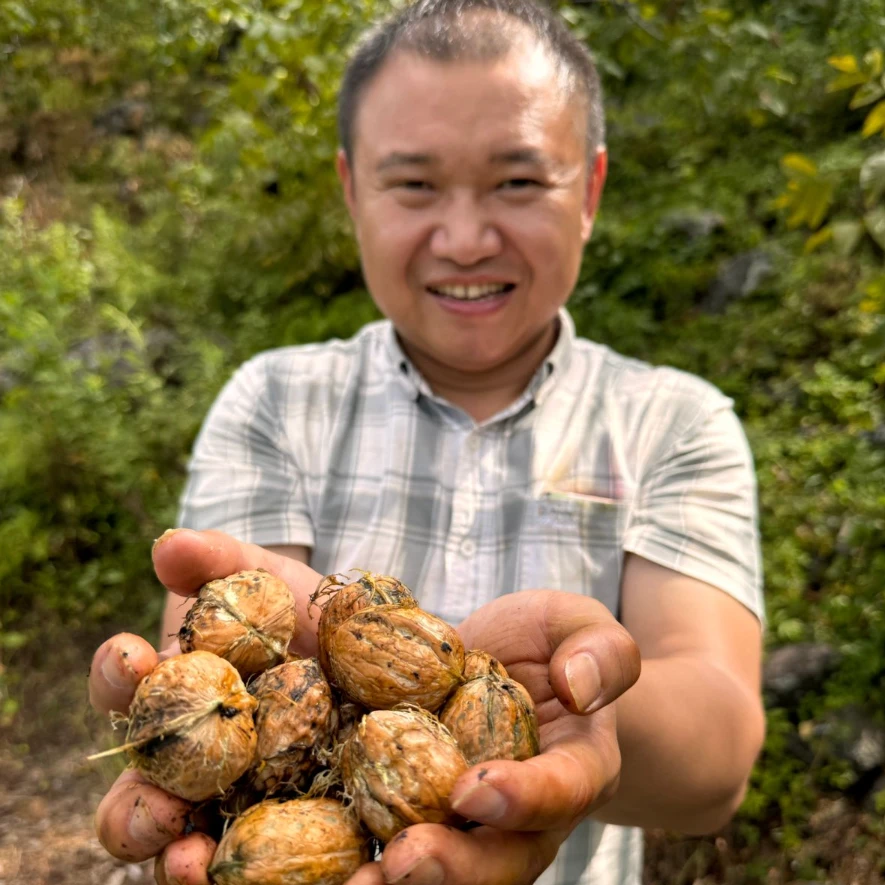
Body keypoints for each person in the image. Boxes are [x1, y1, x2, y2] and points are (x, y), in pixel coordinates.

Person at [88, 1, 766, 884]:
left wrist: (566, 699)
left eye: (518, 182)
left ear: (590, 190)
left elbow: (716, 764)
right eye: (413, 184)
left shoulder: (675, 420)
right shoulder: (273, 399)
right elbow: (218, 678)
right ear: (351, 191)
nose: (464, 238)